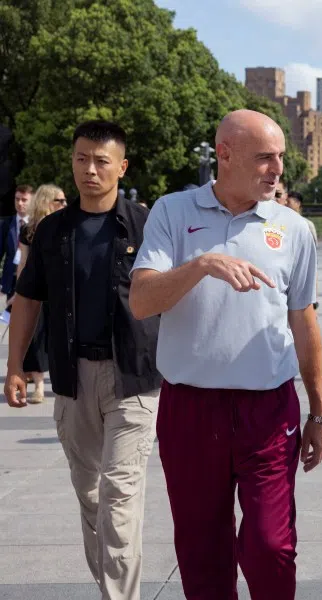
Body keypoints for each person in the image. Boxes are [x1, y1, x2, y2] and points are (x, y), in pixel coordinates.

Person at [129, 109, 322, 599]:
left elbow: (304, 321)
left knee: (270, 546)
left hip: (268, 409)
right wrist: (201, 265)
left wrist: (319, 413)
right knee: (202, 553)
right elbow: (141, 300)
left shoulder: (295, 230)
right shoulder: (172, 213)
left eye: (280, 157)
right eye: (264, 158)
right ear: (224, 154)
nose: (277, 169)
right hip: (191, 409)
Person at [5, 120, 161, 600]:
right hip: (73, 380)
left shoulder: (145, 224)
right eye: (81, 159)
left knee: (119, 498)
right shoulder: (53, 230)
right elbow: (27, 299)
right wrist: (14, 367)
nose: (89, 170)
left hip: (133, 378)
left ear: (122, 166)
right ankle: (113, 589)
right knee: (91, 497)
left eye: (101, 161)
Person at [12, 184, 67, 404]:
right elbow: (23, 263)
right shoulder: (31, 229)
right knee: (35, 337)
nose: (65, 204)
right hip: (38, 291)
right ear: (47, 201)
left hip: (61, 291)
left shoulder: (67, 226)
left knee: (59, 336)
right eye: (59, 201)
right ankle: (39, 386)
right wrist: (20, 291)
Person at [0, 184, 31, 300]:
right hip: (9, 280)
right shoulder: (6, 224)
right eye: (17, 199)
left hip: (27, 279)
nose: (20, 203)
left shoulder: (37, 224)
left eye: (24, 200)